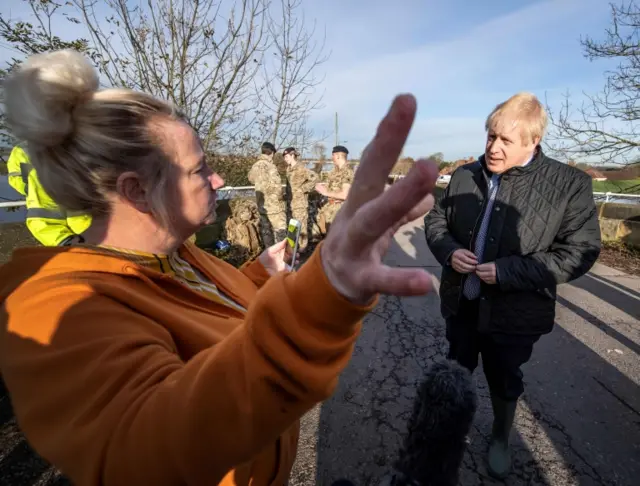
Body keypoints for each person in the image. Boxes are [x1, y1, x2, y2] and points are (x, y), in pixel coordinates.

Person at [0, 50, 439, 486]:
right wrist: (328, 292)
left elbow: (195, 309)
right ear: (136, 191)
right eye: (199, 169)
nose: (217, 181)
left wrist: (256, 277)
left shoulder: (175, 253)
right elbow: (152, 450)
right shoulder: (60, 305)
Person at [424, 92, 601, 479]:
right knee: (457, 366)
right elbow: (436, 222)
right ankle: (450, 430)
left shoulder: (568, 185)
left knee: (504, 376)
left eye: (506, 140)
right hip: (462, 302)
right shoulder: (464, 175)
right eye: (490, 136)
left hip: (515, 313)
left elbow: (581, 250)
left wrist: (508, 272)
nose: (493, 147)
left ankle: (501, 436)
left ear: (533, 141)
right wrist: (450, 251)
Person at [7, 145, 92, 245]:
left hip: (90, 232)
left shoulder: (22, 149)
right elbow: (15, 177)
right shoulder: (22, 150)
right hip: (83, 232)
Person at [248, 141, 287, 247]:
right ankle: (281, 257)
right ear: (272, 153)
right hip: (274, 207)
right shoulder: (270, 166)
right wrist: (280, 199)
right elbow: (277, 186)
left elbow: (251, 179)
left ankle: (269, 255)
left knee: (266, 232)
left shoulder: (255, 166)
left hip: (262, 206)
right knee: (280, 232)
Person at [284, 146, 318, 251]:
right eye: (284, 157)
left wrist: (303, 189)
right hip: (290, 204)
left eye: (287, 156)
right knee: (292, 228)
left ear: (293, 155)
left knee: (301, 227)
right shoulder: (288, 170)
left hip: (300, 204)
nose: (285, 159)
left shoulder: (301, 168)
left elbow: (315, 177)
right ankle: (292, 250)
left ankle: (302, 250)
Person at [315, 145, 354, 235]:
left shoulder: (347, 172)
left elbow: (345, 194)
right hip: (328, 211)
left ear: (337, 156)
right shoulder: (334, 172)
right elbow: (333, 188)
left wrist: (326, 192)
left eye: (332, 155)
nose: (331, 158)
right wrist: (322, 187)